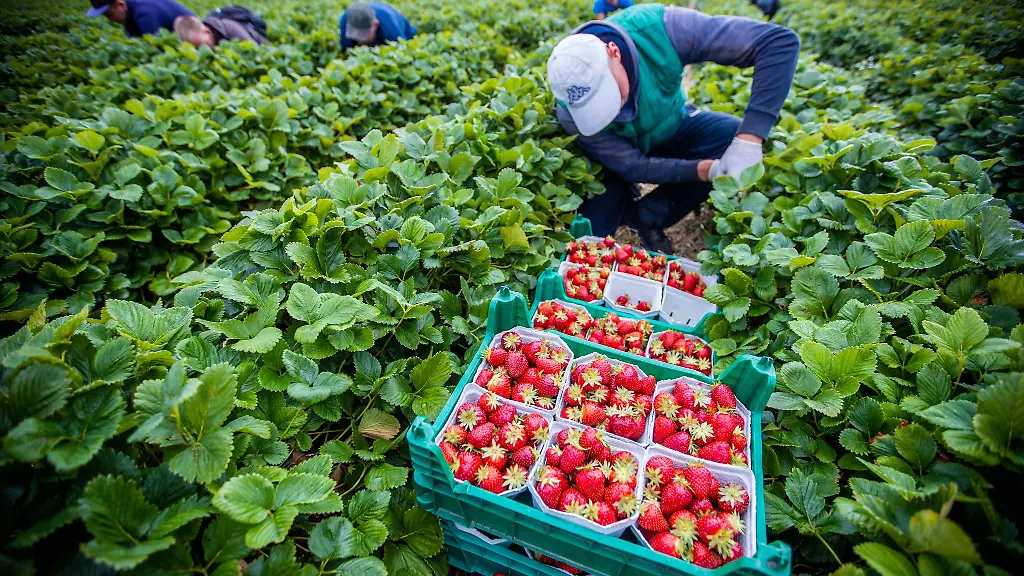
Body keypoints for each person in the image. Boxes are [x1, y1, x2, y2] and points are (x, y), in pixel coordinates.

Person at [546, 4, 799, 252]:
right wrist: (703, 170)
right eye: (595, 108)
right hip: (616, 162)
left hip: (672, 126)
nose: (610, 111)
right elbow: (632, 165)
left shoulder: (659, 29)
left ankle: (647, 215)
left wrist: (750, 138)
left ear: (614, 52)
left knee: (730, 136)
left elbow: (778, 43)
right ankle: (622, 198)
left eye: (610, 94)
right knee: (590, 237)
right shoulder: (570, 112)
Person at [86, 0, 193, 38]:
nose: (110, 20)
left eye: (110, 14)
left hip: (193, 36)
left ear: (120, 4)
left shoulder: (145, 14)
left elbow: (152, 49)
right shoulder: (130, 9)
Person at [174, 7, 268, 48]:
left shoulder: (230, 27)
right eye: (197, 48)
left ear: (207, 31)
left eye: (205, 44)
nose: (205, 50)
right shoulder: (201, 38)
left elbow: (256, 49)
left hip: (256, 39)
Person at [338, 2, 417, 50]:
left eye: (363, 33)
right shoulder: (346, 19)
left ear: (375, 24)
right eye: (356, 32)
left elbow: (402, 51)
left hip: (405, 30)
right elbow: (346, 49)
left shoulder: (391, 29)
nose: (360, 38)